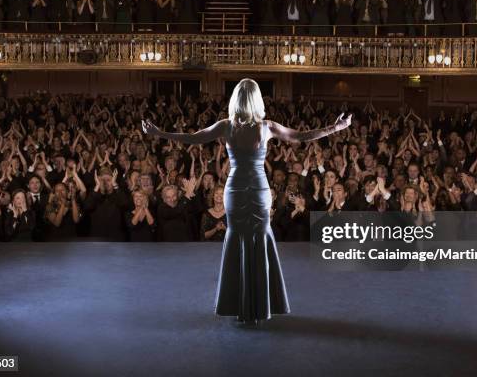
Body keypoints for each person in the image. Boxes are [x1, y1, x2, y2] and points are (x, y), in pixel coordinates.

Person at [142, 78, 352, 324]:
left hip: (236, 188)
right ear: (257, 100)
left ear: (235, 100)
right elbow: (301, 136)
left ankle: (238, 302)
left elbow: (193, 138)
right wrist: (335, 128)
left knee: (237, 238)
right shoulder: (266, 126)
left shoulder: (226, 126)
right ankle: (261, 305)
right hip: (258, 189)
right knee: (260, 239)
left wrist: (159, 132)